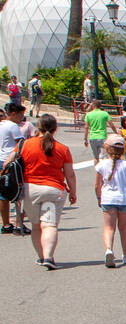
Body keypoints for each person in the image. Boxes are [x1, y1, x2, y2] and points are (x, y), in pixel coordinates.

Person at [19, 113, 76, 269]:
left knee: (36, 225)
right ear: (55, 129)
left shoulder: (26, 145)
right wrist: (73, 192)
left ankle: (41, 256)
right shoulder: (63, 149)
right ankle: (49, 257)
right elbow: (69, 174)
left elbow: (11, 162)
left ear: (38, 127)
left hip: (31, 189)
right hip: (54, 190)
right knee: (49, 225)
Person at [95, 133, 126, 267]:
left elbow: (97, 185)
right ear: (123, 150)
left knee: (109, 227)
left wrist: (99, 197)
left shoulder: (101, 165)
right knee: (124, 228)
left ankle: (109, 249)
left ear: (107, 149)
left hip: (107, 199)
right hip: (124, 199)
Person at [1, 101, 31, 235]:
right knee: (17, 190)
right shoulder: (13, 126)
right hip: (11, 161)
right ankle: (19, 224)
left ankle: (6, 224)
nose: (22, 119)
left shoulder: (1, 124)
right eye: (20, 115)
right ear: (13, 114)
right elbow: (20, 144)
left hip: (0, 159)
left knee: (2, 194)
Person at [83, 96, 112, 163]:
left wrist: (85, 139)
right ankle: (105, 171)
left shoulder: (88, 115)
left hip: (93, 137)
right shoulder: (105, 114)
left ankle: (97, 171)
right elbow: (111, 124)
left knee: (96, 157)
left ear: (93, 106)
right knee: (105, 156)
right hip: (103, 136)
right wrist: (116, 132)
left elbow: (86, 127)